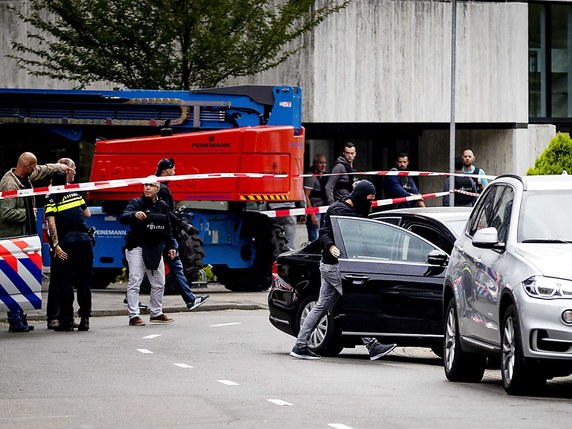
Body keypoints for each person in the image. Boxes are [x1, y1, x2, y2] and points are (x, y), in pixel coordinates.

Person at [290, 180, 397, 361]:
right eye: (368, 199)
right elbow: (324, 232)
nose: (369, 203)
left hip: (338, 265)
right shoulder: (338, 210)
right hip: (334, 266)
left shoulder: (356, 208)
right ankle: (372, 345)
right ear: (360, 197)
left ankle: (300, 345)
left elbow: (361, 226)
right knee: (357, 301)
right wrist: (331, 246)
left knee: (322, 306)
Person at [0, 152, 67, 332]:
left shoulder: (24, 175)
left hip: (23, 238)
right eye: (33, 166)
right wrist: (30, 213)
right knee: (13, 278)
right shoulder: (9, 183)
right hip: (12, 238)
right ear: (27, 166)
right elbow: (5, 213)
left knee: (21, 278)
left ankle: (19, 318)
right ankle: (15, 320)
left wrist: (59, 167)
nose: (35, 170)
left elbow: (42, 169)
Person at [120, 176, 177, 326]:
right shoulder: (135, 203)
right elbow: (123, 217)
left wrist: (171, 246)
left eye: (151, 185)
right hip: (137, 247)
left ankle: (156, 313)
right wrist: (134, 215)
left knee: (159, 282)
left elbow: (168, 228)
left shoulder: (163, 205)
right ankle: (133, 316)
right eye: (145, 185)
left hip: (155, 248)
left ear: (157, 188)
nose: (147, 188)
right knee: (135, 281)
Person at [155, 157, 209, 310]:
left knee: (150, 269)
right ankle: (190, 300)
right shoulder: (163, 189)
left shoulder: (155, 185)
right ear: (167, 170)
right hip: (163, 234)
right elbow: (166, 214)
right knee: (151, 269)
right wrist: (181, 225)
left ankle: (190, 300)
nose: (175, 172)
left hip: (159, 234)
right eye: (173, 169)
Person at [44, 163, 93, 331]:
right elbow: (88, 214)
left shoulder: (52, 198)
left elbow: (51, 224)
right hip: (85, 240)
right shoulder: (75, 193)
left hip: (67, 242)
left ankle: (67, 320)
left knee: (66, 282)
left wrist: (56, 245)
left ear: (52, 182)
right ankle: (85, 319)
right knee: (84, 282)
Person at [45, 158, 80, 329]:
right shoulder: (55, 192)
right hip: (60, 241)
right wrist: (55, 245)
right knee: (57, 280)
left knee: (65, 280)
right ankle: (54, 316)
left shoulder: (69, 190)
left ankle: (63, 316)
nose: (74, 173)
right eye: (73, 170)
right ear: (67, 171)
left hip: (67, 239)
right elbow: (50, 222)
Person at [303, 154, 328, 242]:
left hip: (323, 209)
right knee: (314, 240)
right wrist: (312, 215)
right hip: (314, 209)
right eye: (320, 163)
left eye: (325, 163)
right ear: (315, 163)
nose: (323, 165)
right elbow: (306, 196)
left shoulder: (324, 175)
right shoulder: (310, 176)